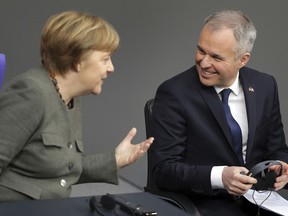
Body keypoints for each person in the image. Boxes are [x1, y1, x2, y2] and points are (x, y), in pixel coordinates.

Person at [0, 11, 154, 202]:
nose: (111, 68)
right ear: (78, 60)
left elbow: (61, 169)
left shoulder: (70, 97)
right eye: (105, 59)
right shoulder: (31, 93)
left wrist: (115, 160)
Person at [149, 9, 288, 215]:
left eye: (216, 57)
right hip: (204, 202)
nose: (204, 63)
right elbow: (163, 169)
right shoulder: (174, 93)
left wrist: (282, 167)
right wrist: (220, 177)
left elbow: (277, 148)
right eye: (201, 50)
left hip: (260, 199)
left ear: (243, 59)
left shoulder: (265, 85)